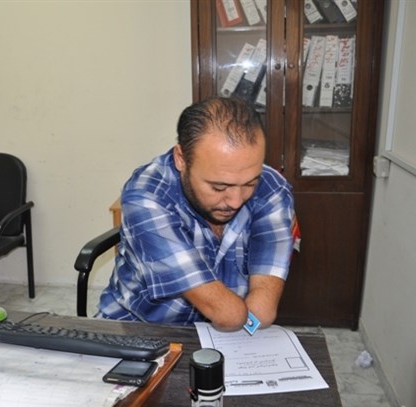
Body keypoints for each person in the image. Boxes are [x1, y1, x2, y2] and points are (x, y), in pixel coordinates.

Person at [96, 97, 296, 332]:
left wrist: (244, 331)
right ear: (181, 159)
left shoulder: (272, 189)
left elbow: (262, 313)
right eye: (219, 187)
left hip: (221, 331)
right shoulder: (147, 195)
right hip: (139, 325)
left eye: (250, 183)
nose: (235, 201)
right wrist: (238, 319)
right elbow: (228, 315)